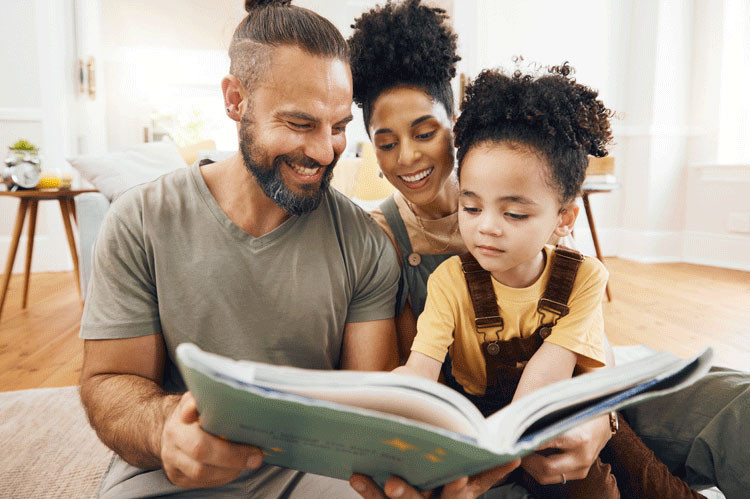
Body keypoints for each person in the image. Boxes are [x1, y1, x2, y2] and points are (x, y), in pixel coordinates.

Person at [349, 3, 748, 499]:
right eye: (385, 143)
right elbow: (418, 375)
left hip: (573, 386)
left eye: (426, 133)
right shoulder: (385, 240)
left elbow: (578, 336)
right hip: (482, 420)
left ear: (454, 123)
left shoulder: (534, 187)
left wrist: (603, 418)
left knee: (737, 406)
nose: (408, 157)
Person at [75, 1, 470, 497]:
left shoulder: (367, 244)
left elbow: (370, 413)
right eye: (300, 124)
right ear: (236, 99)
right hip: (174, 470)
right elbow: (111, 380)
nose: (326, 152)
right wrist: (165, 430)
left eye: (340, 126)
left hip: (320, 475)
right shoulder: (139, 220)